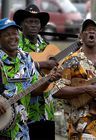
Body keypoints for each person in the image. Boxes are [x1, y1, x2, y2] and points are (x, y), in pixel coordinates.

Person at [0, 18, 61, 140]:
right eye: (7, 34)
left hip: (22, 128)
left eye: (15, 33)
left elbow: (34, 90)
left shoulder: (26, 57)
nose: (12, 37)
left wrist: (48, 80)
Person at [13, 4, 59, 139]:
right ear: (21, 24)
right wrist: (43, 64)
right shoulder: (15, 45)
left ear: (41, 26)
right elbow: (15, 65)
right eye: (29, 21)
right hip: (25, 112)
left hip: (46, 110)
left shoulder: (47, 46)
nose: (33, 25)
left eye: (36, 22)